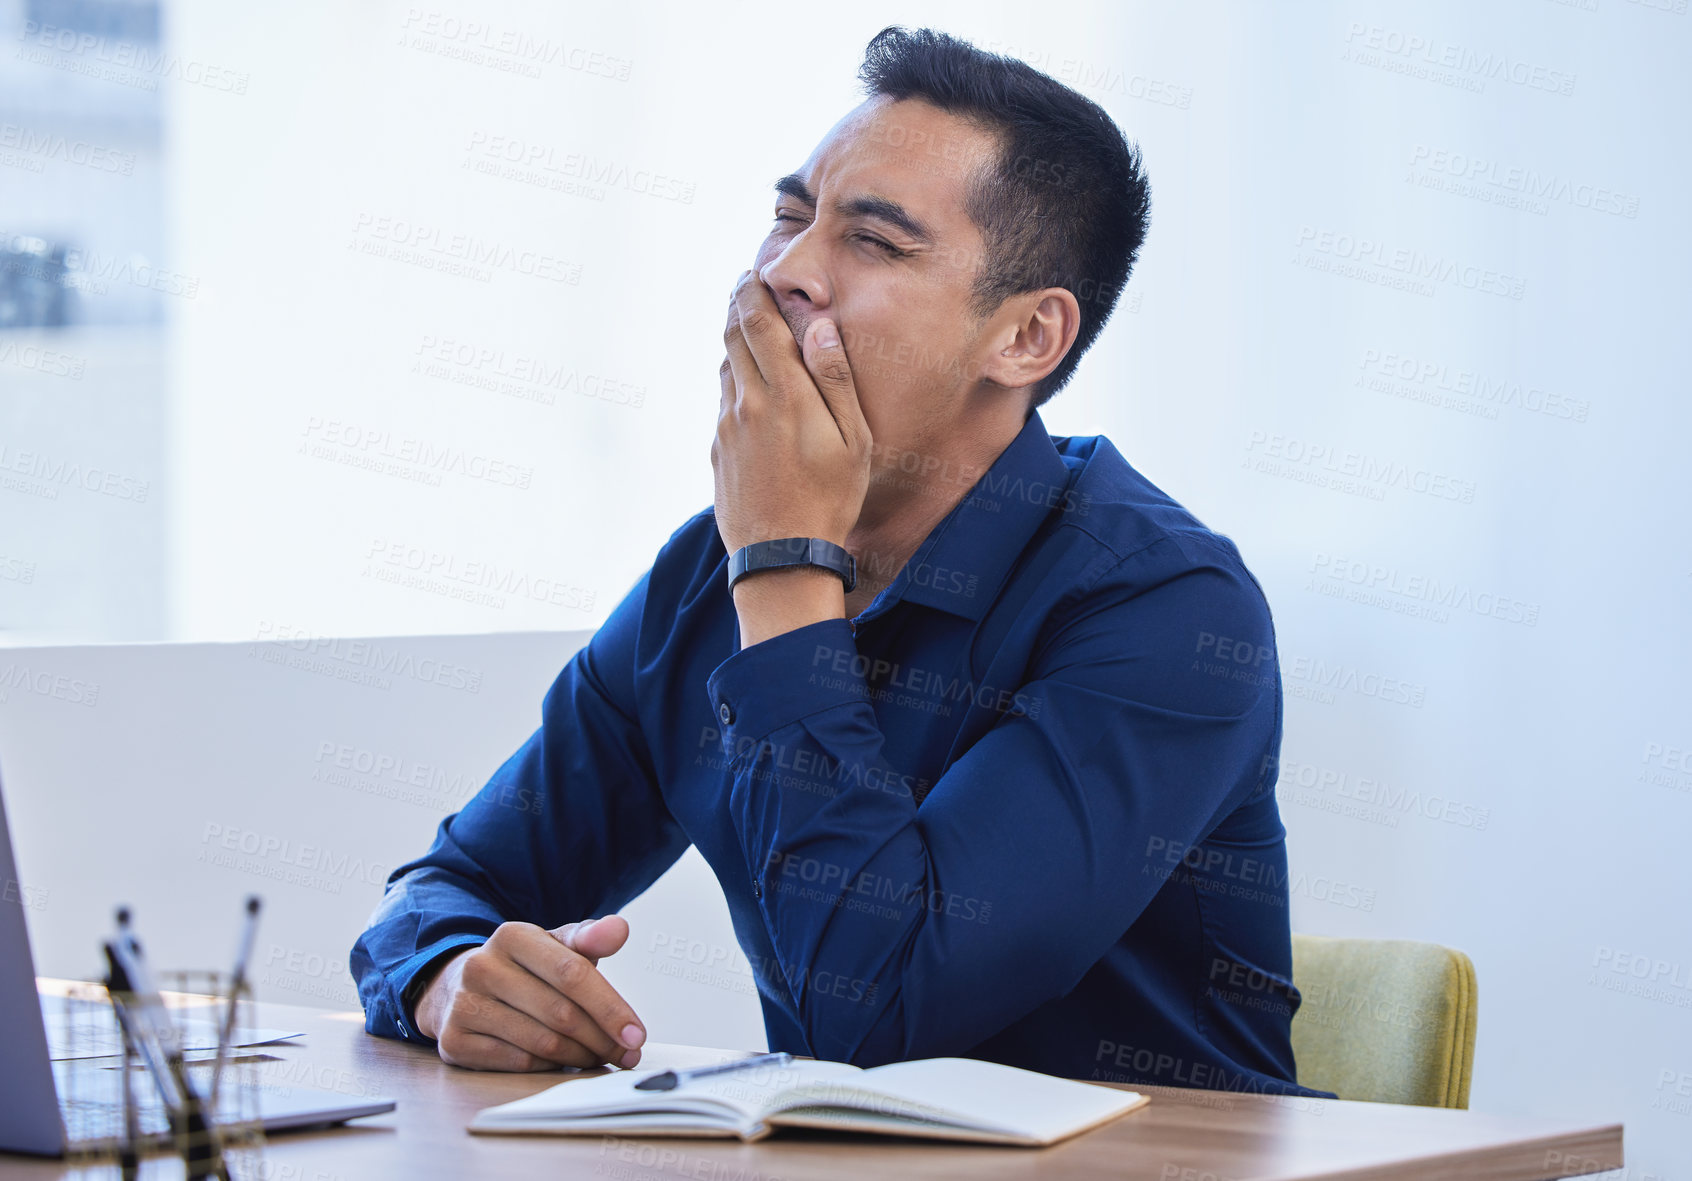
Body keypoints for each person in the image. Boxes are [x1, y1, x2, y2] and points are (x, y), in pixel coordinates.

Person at [351, 25, 1332, 1100]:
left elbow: (881, 1013)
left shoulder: (1168, 608)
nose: (786, 271)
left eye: (873, 241)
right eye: (787, 217)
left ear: (1027, 339)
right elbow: (449, 888)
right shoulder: (703, 577)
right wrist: (447, 976)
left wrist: (783, 565)